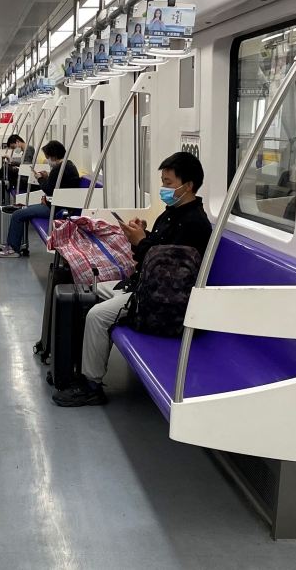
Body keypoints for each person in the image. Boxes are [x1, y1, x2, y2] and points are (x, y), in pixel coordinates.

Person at [52, 152, 212, 406]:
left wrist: (141, 242)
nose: (163, 189)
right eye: (163, 182)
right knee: (84, 289)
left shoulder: (194, 224)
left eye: (168, 183)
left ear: (188, 185)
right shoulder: (172, 213)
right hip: (143, 285)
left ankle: (92, 386)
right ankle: (66, 362)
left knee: (97, 316)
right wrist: (142, 233)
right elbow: (160, 249)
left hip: (161, 301)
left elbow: (167, 272)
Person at [0, 140, 80, 258]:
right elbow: (58, 185)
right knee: (23, 210)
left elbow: (48, 190)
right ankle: (19, 245)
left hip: (54, 208)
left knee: (17, 215)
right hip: (62, 204)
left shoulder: (58, 170)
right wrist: (47, 176)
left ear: (54, 156)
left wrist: (40, 178)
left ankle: (14, 249)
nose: (48, 160)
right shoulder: (69, 165)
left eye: (49, 157)